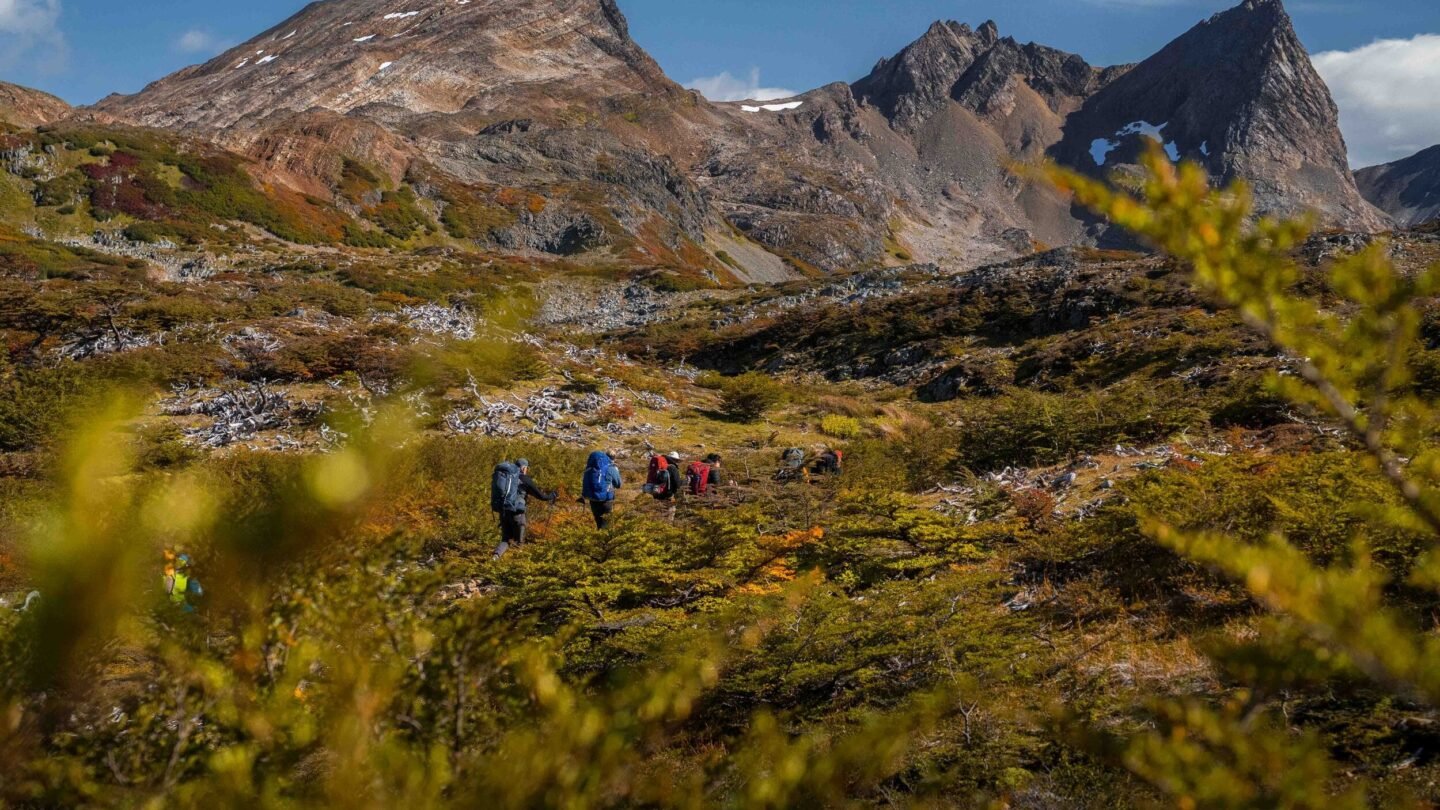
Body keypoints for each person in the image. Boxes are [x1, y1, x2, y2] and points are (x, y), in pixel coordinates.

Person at [491, 458, 557, 559]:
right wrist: (552, 495)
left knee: (506, 539)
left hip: (504, 512)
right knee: (519, 542)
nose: (526, 470)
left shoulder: (508, 478)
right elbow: (542, 496)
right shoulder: (525, 479)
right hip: (518, 514)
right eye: (526, 468)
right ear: (523, 468)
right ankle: (517, 567)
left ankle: (495, 557)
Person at [581, 450, 623, 529]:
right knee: (607, 524)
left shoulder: (589, 469)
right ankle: (605, 540)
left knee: (599, 523)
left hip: (593, 499)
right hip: (606, 500)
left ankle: (598, 539)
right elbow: (618, 484)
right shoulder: (611, 468)